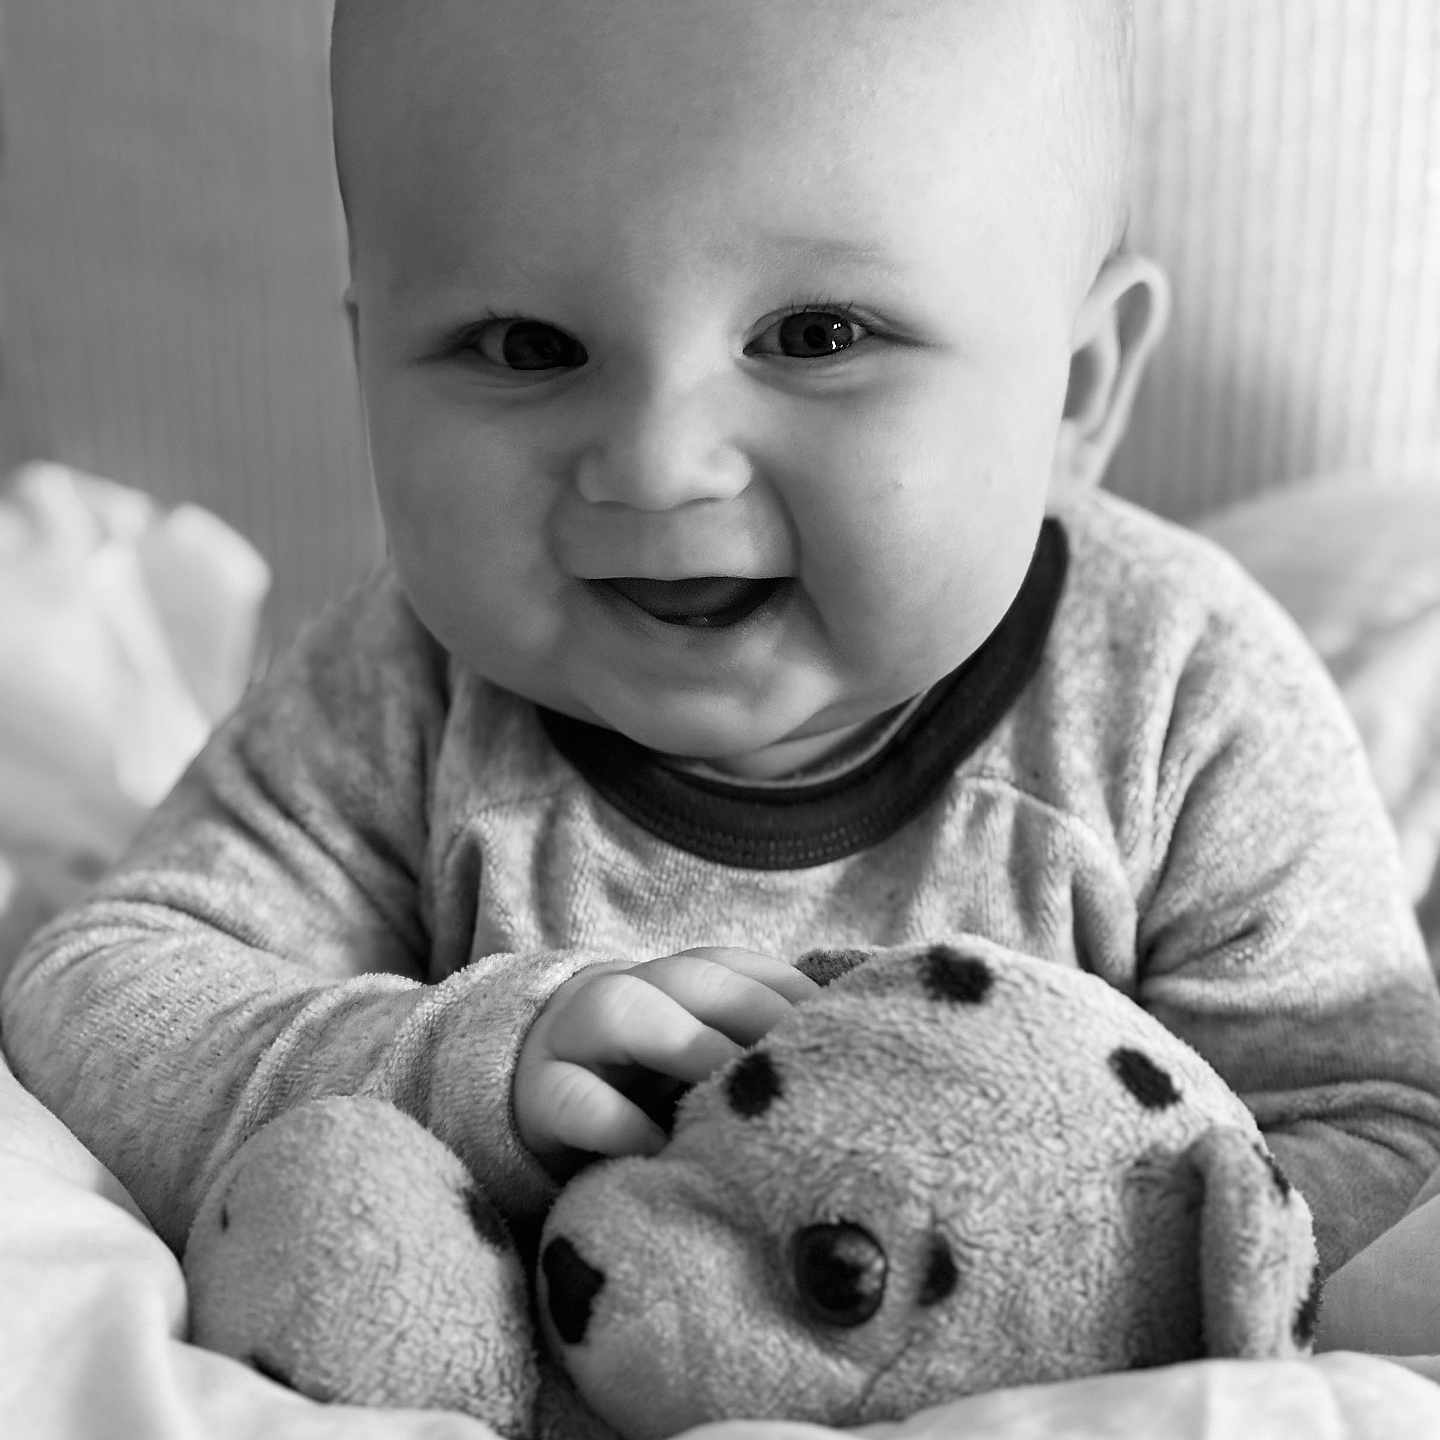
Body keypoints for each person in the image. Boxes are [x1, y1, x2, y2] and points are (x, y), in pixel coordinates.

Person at [4, 0, 1439, 1285]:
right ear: (369, 356)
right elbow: (99, 998)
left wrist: (1031, 1270)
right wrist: (457, 1070)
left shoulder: (1180, 703)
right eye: (523, 346)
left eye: (815, 334)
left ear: (1073, 389)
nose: (657, 464)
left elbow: (1377, 1137)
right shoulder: (407, 692)